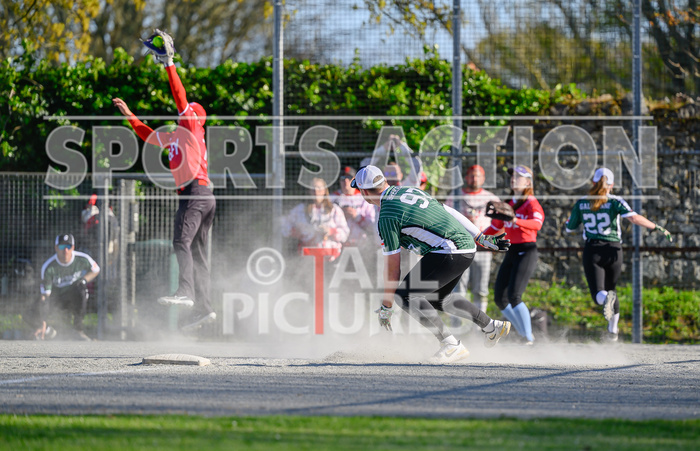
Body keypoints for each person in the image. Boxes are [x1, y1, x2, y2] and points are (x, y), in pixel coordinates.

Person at [351, 165, 512, 363]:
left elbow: (393, 268)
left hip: (448, 251)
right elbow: (449, 211)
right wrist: (480, 237)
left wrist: (386, 305)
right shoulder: (409, 190)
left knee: (405, 295)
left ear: (364, 192)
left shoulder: (387, 215)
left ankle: (451, 344)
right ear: (384, 181)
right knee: (439, 298)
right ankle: (491, 326)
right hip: (465, 248)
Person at [112, 30, 216, 331]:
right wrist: (130, 114)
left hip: (195, 193)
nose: (183, 111)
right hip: (203, 196)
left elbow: (180, 97)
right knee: (197, 254)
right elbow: (148, 135)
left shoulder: (192, 127)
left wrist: (169, 63)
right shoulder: (175, 137)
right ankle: (204, 309)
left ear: (194, 117)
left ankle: (186, 292)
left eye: (188, 110)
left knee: (180, 241)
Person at [565, 167, 672, 341]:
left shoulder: (582, 202)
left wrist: (568, 223)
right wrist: (656, 227)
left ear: (593, 183)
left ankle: (606, 302)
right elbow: (634, 218)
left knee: (599, 294)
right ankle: (613, 331)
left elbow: (570, 228)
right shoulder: (616, 201)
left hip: (593, 250)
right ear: (612, 185)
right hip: (614, 250)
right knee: (611, 291)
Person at [484, 165, 544, 345]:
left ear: (528, 182)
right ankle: (524, 334)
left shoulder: (531, 202)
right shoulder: (508, 203)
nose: (513, 179)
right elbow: (494, 227)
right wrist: (475, 238)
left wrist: (516, 220)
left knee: (514, 296)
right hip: (512, 251)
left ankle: (529, 338)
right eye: (512, 176)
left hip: (527, 251)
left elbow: (537, 224)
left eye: (518, 176)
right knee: (499, 299)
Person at [448, 165, 500, 315]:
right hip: (461, 248)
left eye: (478, 176)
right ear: (466, 177)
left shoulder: (491, 198)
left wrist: (495, 243)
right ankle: (457, 322)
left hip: (483, 249)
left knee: (481, 289)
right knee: (459, 288)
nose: (474, 179)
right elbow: (445, 219)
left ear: (483, 179)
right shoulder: (456, 195)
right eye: (471, 175)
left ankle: (480, 323)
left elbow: (500, 223)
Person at [34, 234, 100, 341]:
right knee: (30, 313)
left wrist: (84, 280)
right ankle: (49, 331)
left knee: (81, 288)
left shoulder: (82, 259)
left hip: (73, 297)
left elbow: (96, 270)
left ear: (73, 248)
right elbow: (45, 297)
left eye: (68, 247)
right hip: (56, 300)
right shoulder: (49, 266)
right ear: (56, 248)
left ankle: (78, 330)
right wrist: (43, 320)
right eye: (61, 246)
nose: (65, 250)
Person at [282, 177, 350, 261]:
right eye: (313, 189)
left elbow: (345, 233)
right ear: (309, 191)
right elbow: (285, 226)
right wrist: (296, 232)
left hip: (330, 256)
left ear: (324, 190)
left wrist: (330, 231)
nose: (316, 192)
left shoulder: (334, 210)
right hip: (307, 257)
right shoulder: (301, 209)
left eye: (319, 188)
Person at [330, 166, 376, 249]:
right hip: (338, 244)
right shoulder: (332, 198)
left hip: (362, 244)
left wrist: (357, 217)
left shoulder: (364, 198)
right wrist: (340, 215)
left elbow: (373, 226)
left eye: (349, 177)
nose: (346, 181)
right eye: (343, 178)